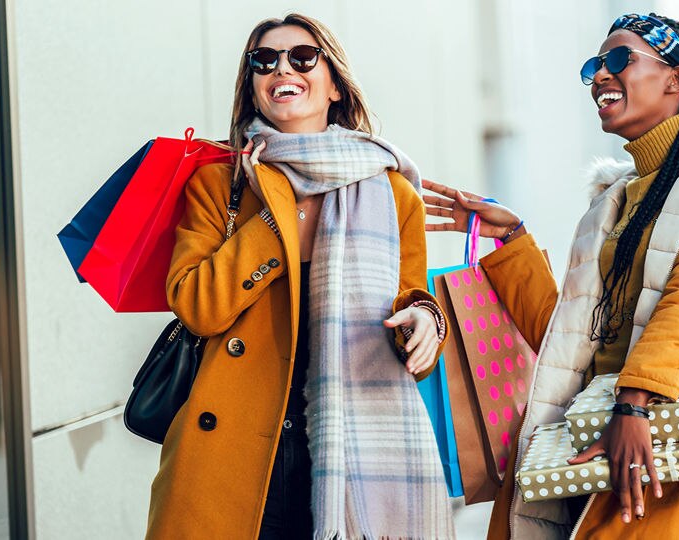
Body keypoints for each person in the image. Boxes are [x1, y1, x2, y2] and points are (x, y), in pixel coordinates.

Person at [424, 12, 679, 539]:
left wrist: (635, 403)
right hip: (603, 435)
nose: (600, 76)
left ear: (677, 79)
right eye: (595, 65)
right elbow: (575, 339)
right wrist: (512, 242)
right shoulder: (615, 203)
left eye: (620, 60)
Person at [145, 13, 454, 539]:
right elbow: (197, 306)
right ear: (254, 87)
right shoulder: (219, 185)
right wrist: (276, 216)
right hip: (238, 452)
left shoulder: (390, 191)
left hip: (347, 449)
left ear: (333, 83)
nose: (282, 67)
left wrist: (426, 321)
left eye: (303, 57)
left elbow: (409, 298)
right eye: (264, 60)